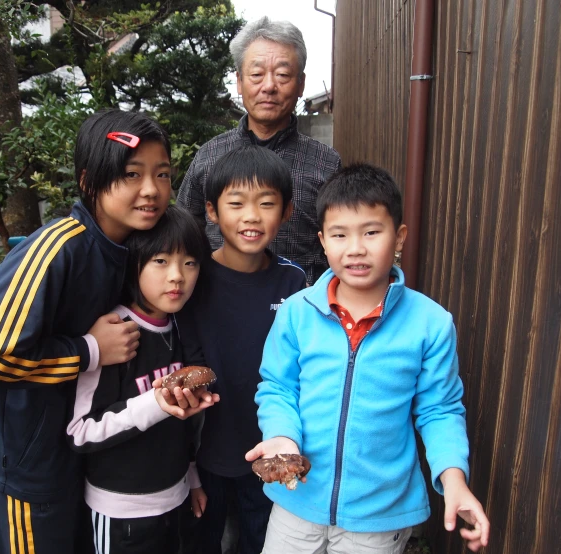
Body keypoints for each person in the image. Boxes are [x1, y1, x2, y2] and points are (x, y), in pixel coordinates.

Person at [0, 109, 175, 554]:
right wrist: (90, 350)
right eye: (132, 174)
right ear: (89, 181)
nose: (151, 190)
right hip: (31, 469)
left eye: (163, 174)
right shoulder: (60, 249)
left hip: (81, 460)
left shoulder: (131, 246)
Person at [246, 163, 491, 554]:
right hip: (296, 502)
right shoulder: (296, 312)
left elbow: (440, 410)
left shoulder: (431, 323)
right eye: (340, 235)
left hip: (380, 514)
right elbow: (277, 386)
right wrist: (281, 436)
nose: (355, 248)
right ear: (323, 241)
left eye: (372, 232)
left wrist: (455, 479)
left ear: (399, 237)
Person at [173, 145, 308, 554]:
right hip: (206, 452)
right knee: (202, 541)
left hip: (271, 448)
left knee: (258, 540)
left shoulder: (294, 283)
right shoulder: (192, 278)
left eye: (266, 204)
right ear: (212, 211)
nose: (251, 216)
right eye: (236, 203)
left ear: (286, 212)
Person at [67, 206, 217, 554]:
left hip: (176, 501)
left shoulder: (182, 328)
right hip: (120, 513)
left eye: (189, 262)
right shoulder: (114, 334)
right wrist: (156, 403)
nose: (177, 276)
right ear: (134, 264)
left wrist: (190, 479)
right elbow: (80, 432)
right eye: (161, 261)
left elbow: (185, 428)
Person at [177, 16, 341, 284]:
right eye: (256, 74)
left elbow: (341, 242)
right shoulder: (209, 155)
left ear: (300, 84)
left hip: (299, 309)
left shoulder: (326, 163)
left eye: (283, 75)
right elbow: (181, 231)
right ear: (239, 82)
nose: (268, 86)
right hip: (217, 305)